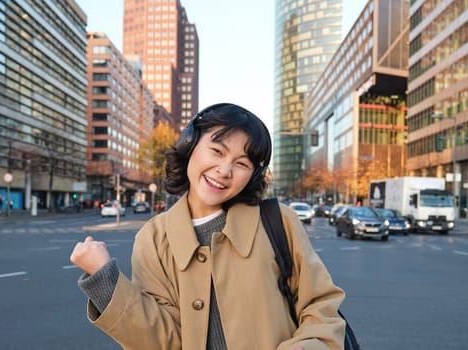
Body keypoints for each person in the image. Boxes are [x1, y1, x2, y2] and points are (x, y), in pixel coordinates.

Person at [70, 103, 346, 349]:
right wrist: (105, 280)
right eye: (216, 151)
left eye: (241, 163)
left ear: (253, 176)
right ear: (190, 147)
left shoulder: (278, 221)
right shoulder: (154, 239)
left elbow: (321, 307)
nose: (224, 170)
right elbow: (162, 341)